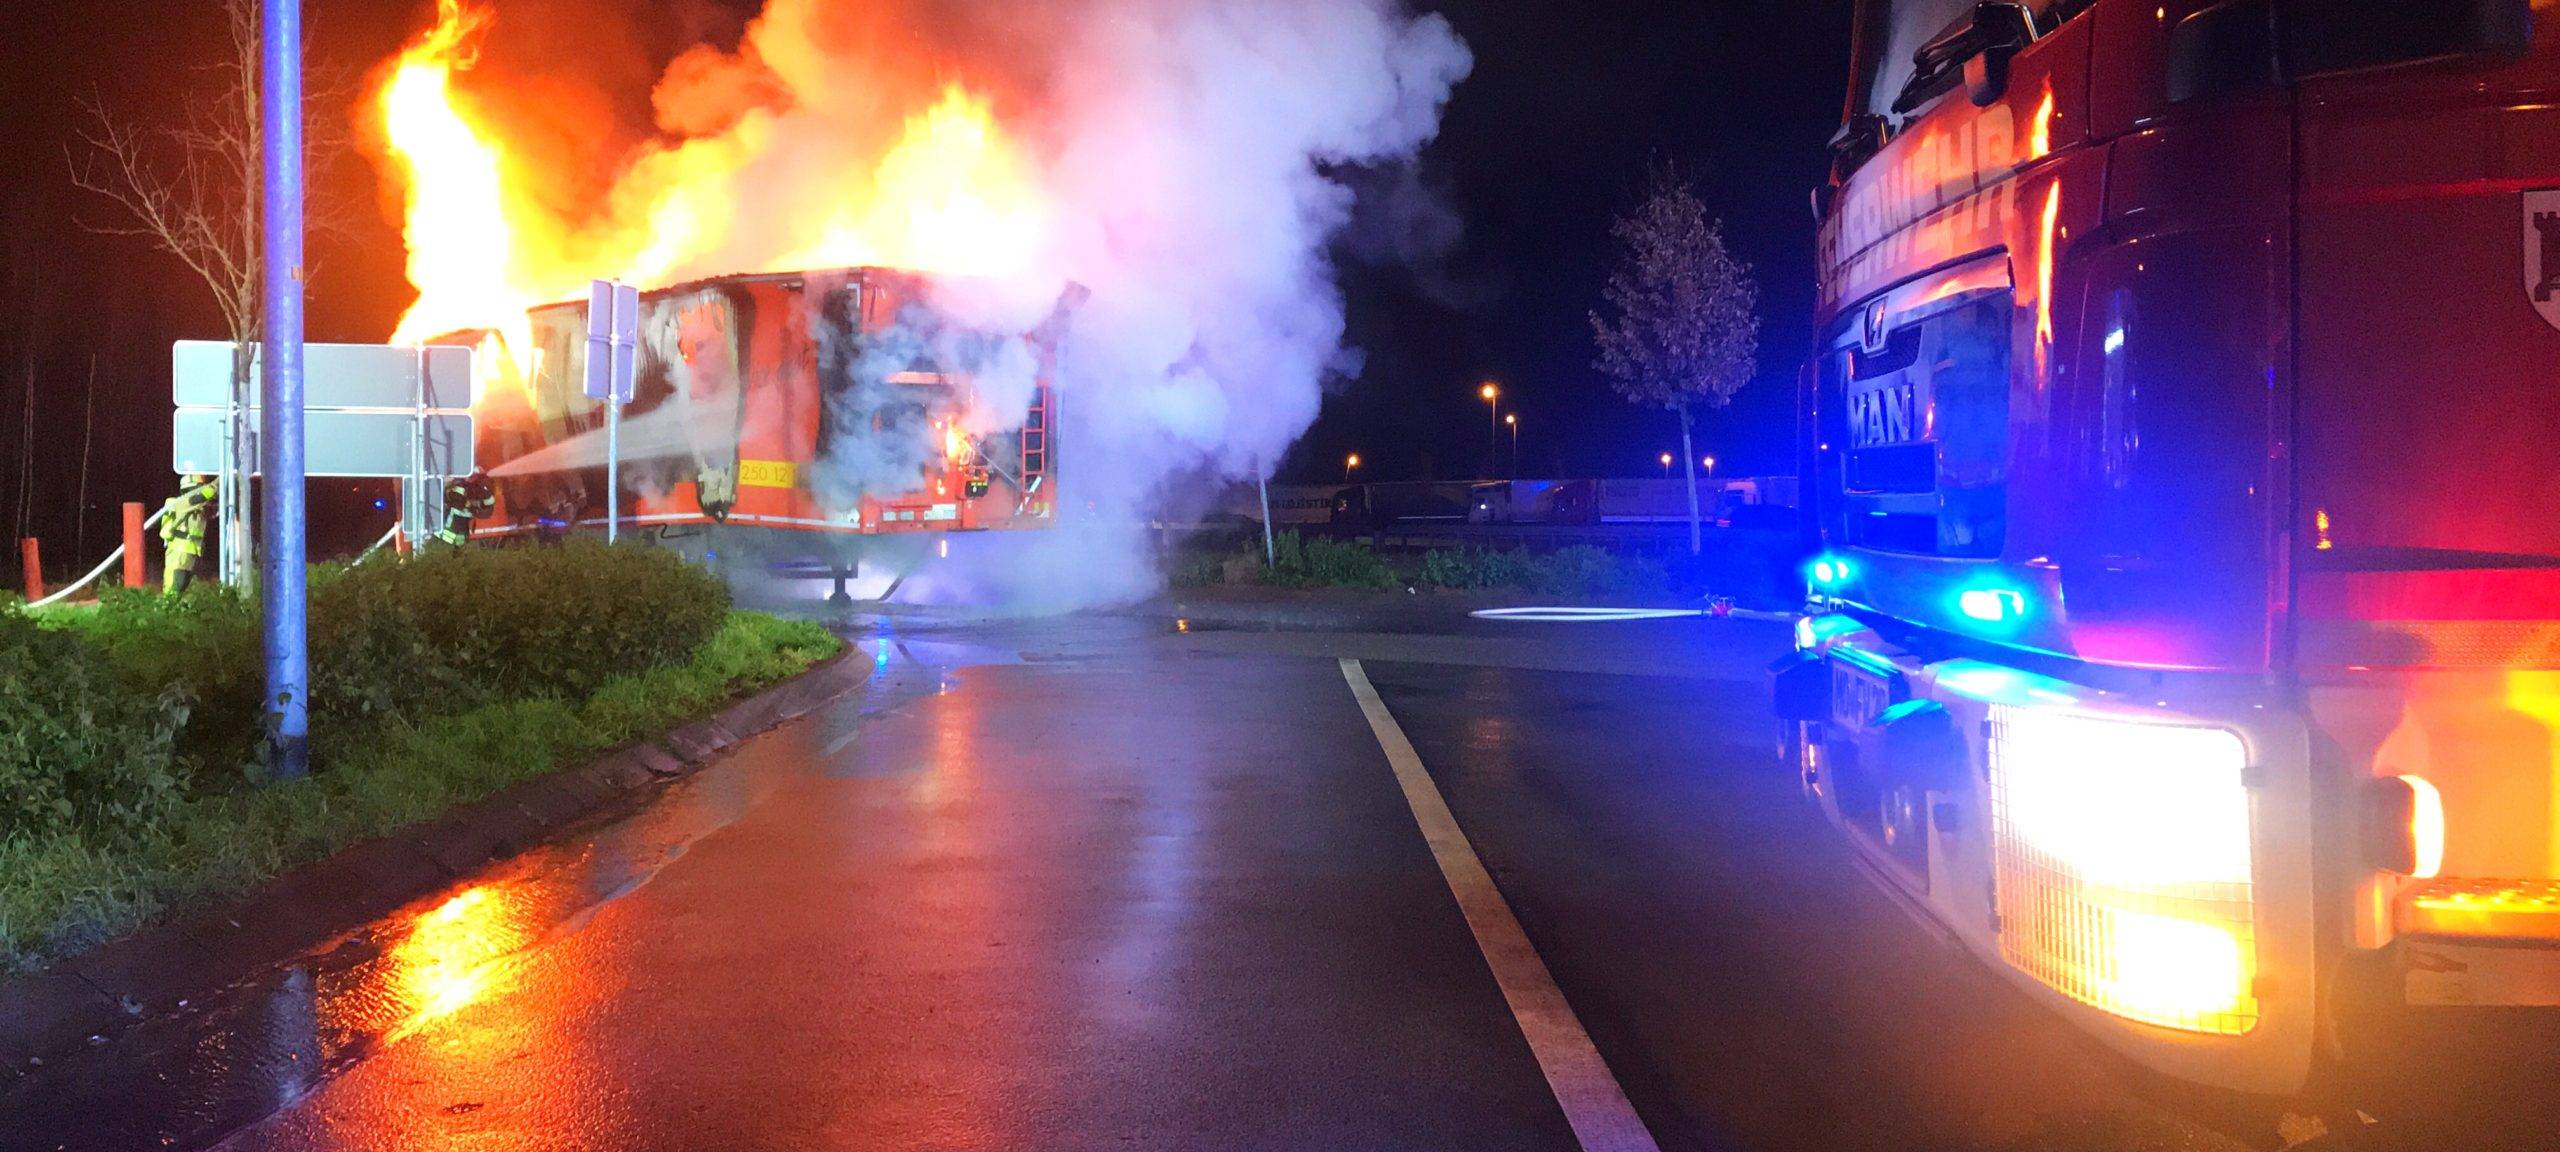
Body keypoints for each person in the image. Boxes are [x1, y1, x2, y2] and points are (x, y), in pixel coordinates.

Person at [160, 474, 217, 594]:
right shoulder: (183, 502)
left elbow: (212, 508)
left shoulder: (197, 508)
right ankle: (166, 611)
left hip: (191, 553)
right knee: (174, 589)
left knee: (183, 590)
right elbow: (204, 494)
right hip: (179, 552)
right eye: (199, 487)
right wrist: (220, 481)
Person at [438, 470, 497, 546]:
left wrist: (475, 504)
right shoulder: (463, 485)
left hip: (456, 520)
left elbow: (489, 502)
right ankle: (458, 550)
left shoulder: (475, 487)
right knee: (460, 542)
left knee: (457, 540)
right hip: (461, 520)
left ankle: (457, 549)